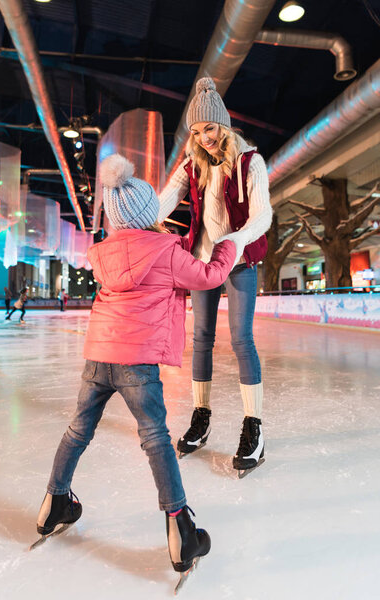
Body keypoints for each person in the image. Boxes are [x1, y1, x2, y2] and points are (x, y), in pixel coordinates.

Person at [35, 154, 243, 580]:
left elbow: (136, 270)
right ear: (152, 212)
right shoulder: (165, 250)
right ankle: (181, 529)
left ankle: (55, 501)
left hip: (99, 355)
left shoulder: (103, 253)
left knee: (78, 429)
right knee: (155, 438)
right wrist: (228, 247)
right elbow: (206, 277)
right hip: (138, 361)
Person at [158, 77, 273, 475]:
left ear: (222, 125)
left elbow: (263, 214)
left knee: (241, 338)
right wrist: (137, 223)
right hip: (203, 262)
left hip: (238, 259)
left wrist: (237, 242)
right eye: (195, 131)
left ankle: (253, 427)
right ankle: (201, 417)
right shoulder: (191, 165)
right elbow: (164, 201)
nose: (203, 137)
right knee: (202, 338)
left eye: (209, 128)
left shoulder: (249, 162)